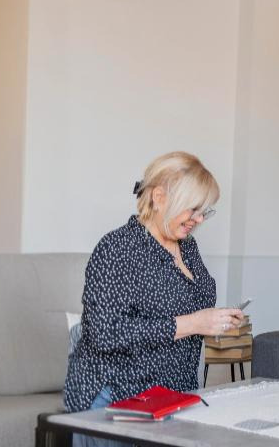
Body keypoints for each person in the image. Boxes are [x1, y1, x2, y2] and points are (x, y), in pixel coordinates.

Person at [62, 152, 245, 447]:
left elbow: (188, 309)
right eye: (193, 209)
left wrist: (214, 320)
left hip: (173, 396)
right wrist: (192, 323)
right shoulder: (117, 249)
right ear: (159, 197)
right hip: (119, 398)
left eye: (205, 211)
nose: (199, 220)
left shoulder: (188, 247)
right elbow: (103, 334)